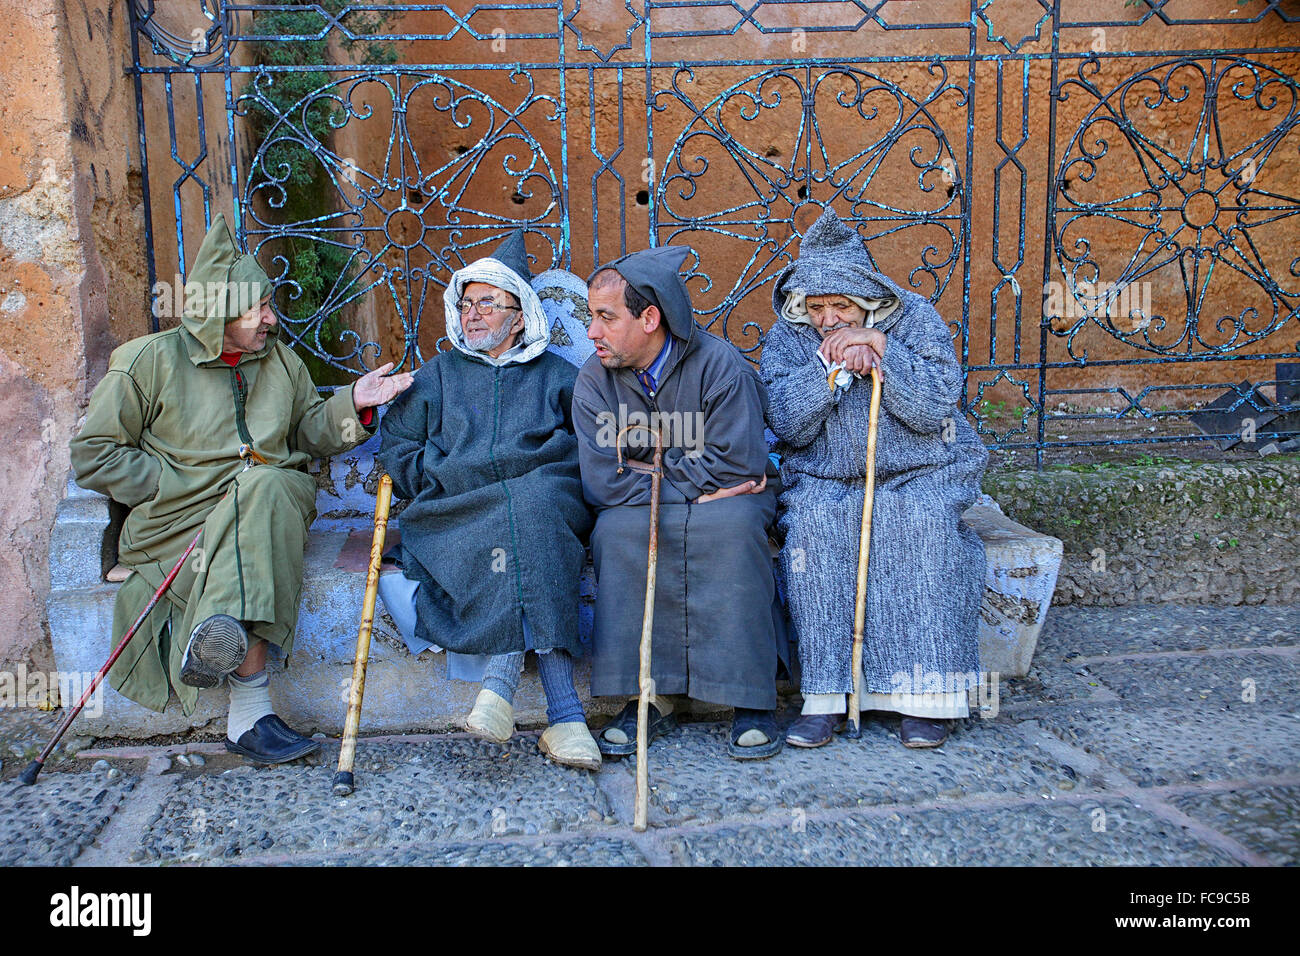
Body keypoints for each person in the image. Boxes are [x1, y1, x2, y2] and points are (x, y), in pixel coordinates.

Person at [70, 213, 412, 764]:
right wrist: (167, 483)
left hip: (270, 508)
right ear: (217, 312)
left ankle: (224, 652)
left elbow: (308, 434)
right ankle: (245, 710)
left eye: (269, 306)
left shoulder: (278, 361)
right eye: (258, 310)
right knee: (255, 520)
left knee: (270, 486)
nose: (271, 321)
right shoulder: (147, 362)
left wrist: (356, 405)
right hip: (182, 524)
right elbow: (93, 454)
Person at [759, 207, 988, 750]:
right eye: (817, 307)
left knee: (923, 525)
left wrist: (886, 352)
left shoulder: (916, 319)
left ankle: (927, 698)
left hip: (922, 469)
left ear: (868, 299)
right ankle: (828, 697)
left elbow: (934, 409)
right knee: (815, 530)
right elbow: (786, 421)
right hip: (825, 476)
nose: (829, 318)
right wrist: (825, 372)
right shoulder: (788, 337)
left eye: (841, 305)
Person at [376, 232, 602, 771]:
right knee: (522, 517)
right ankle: (565, 716)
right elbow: (397, 447)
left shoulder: (560, 378)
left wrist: (538, 476)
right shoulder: (437, 377)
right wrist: (435, 474)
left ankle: (500, 691)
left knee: (532, 508)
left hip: (545, 502)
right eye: (466, 302)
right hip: (458, 511)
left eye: (487, 303)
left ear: (520, 316)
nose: (472, 314)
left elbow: (588, 450)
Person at [572, 246, 785, 761]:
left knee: (732, 530)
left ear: (650, 318)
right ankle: (650, 693)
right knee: (618, 533)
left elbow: (741, 463)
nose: (592, 332)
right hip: (654, 502)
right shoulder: (593, 382)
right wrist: (696, 485)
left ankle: (750, 696)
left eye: (605, 317)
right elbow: (604, 483)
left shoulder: (719, 365)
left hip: (728, 501)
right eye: (590, 317)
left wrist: (669, 483)